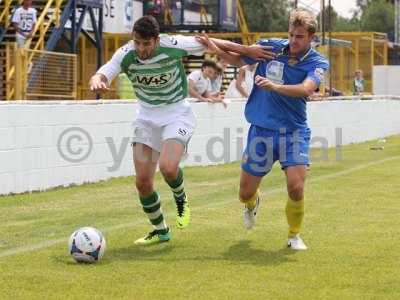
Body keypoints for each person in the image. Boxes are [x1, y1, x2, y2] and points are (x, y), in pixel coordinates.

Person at [89, 16, 274, 245]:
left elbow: (209, 41)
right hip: (146, 118)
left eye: (146, 44)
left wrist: (246, 49)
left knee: (168, 168)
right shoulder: (126, 53)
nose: (141, 49)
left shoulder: (172, 44)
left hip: (177, 114)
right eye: (138, 43)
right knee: (143, 182)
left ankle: (180, 197)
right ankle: (160, 230)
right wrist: (97, 79)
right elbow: (106, 70)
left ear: (156, 40)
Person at [199, 8, 329, 250]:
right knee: (244, 193)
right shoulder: (272, 48)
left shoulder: (318, 61)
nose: (293, 40)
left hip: (293, 132)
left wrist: (274, 87)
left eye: (299, 36)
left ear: (311, 37)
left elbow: (306, 89)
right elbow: (238, 59)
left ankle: (294, 235)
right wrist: (214, 48)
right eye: (291, 34)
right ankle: (252, 203)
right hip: (261, 131)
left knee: (296, 185)